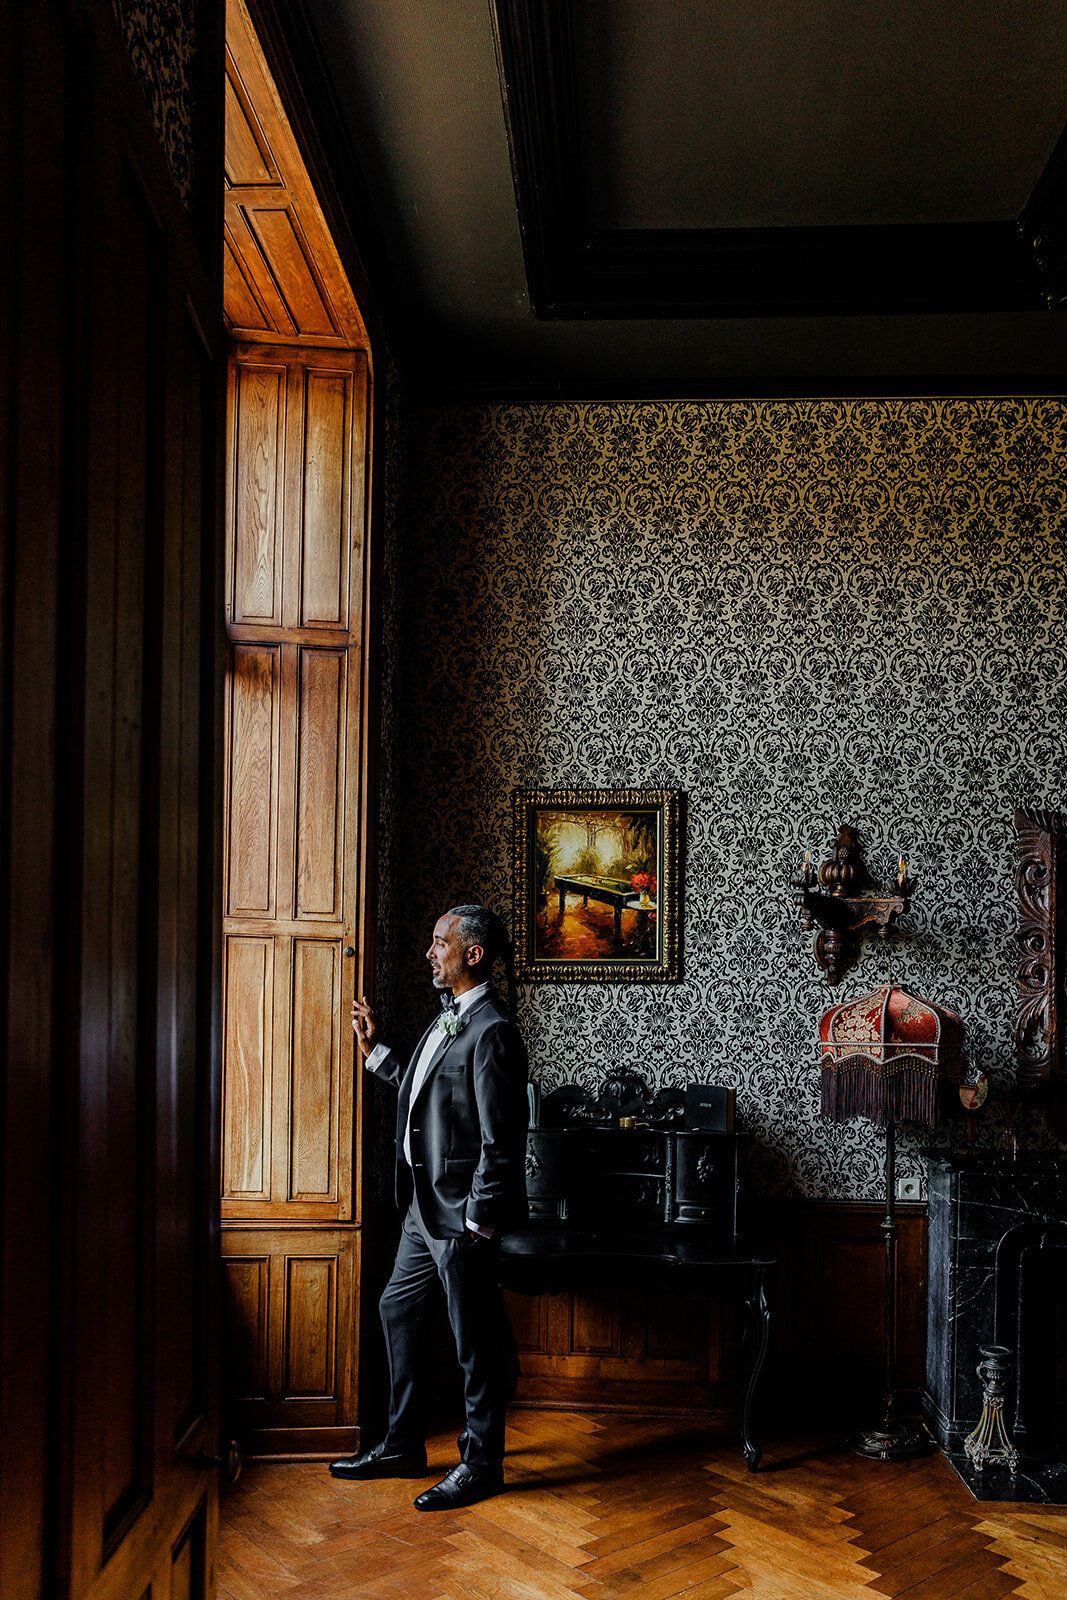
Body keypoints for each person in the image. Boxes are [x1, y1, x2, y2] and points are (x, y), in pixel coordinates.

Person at [329, 904, 529, 1510]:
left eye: (439, 942)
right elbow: (429, 1094)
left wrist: (477, 1221)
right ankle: (401, 1446)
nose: (429, 952)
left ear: (472, 954)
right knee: (397, 1308)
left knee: (474, 1341)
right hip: (421, 1209)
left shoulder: (492, 1029)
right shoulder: (449, 1022)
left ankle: (483, 1465)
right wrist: (376, 1052)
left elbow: (503, 1139)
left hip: (459, 1218)